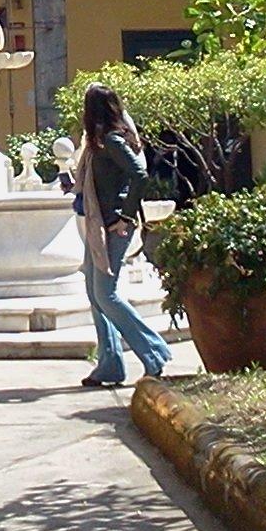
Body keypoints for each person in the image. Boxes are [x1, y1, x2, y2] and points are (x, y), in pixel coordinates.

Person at [70, 82, 172, 387]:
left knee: (106, 293)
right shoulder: (97, 143)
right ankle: (110, 364)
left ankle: (153, 351)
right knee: (94, 291)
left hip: (114, 224)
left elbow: (139, 175)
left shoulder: (112, 140)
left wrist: (126, 215)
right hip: (97, 222)